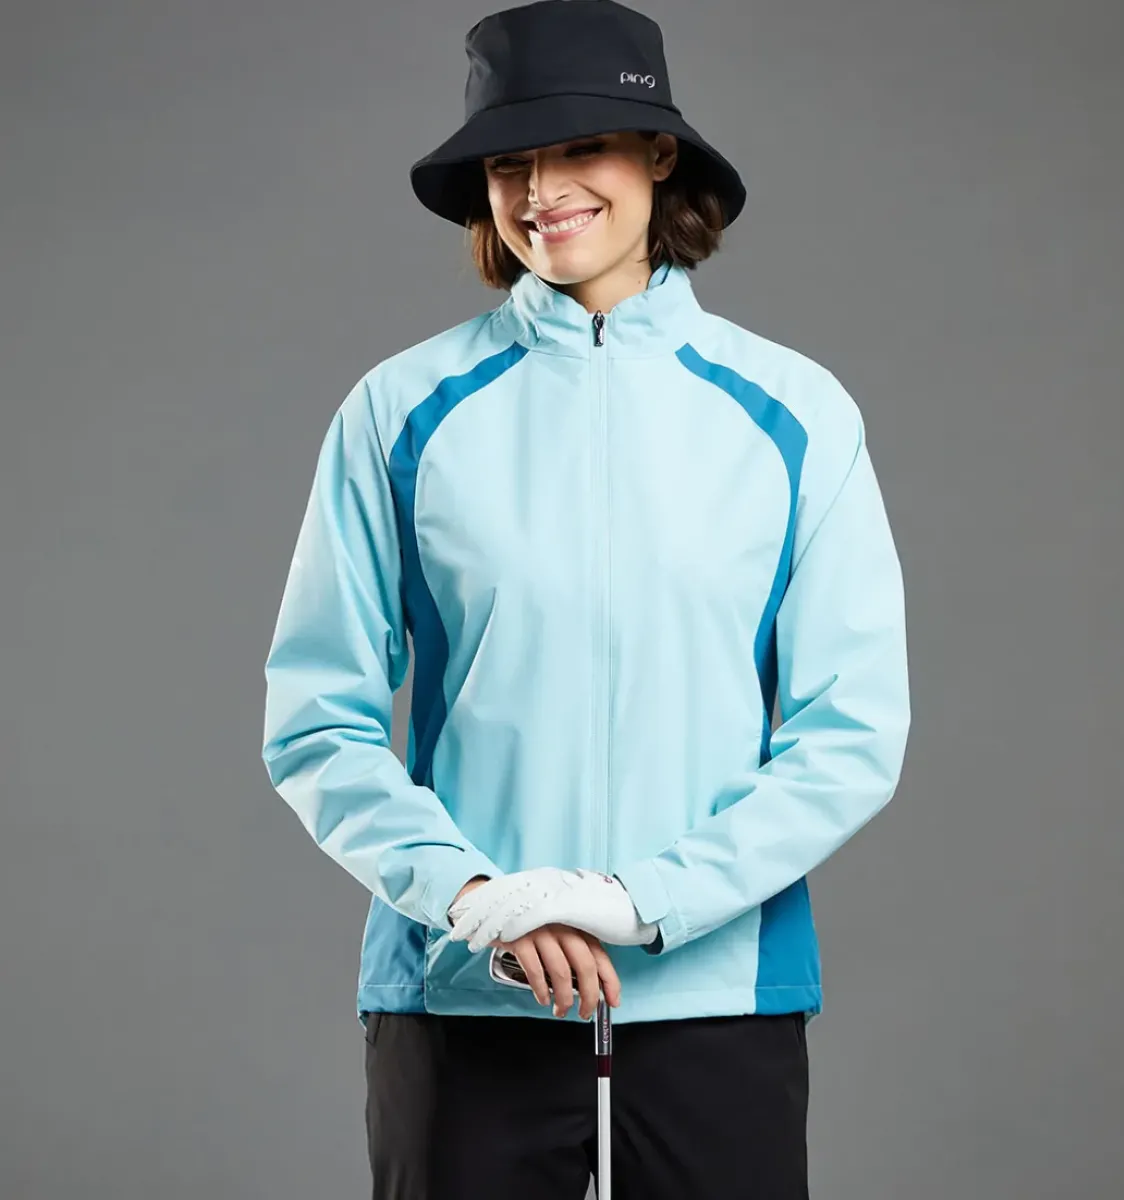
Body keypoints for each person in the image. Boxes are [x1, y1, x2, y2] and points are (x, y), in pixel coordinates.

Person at [260, 1, 911, 1197]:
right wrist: (477, 900)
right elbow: (317, 720)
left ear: (660, 157)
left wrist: (635, 901)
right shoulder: (398, 412)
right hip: (464, 997)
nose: (541, 191)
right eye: (510, 162)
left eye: (580, 149)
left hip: (719, 1002)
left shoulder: (796, 413)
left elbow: (850, 733)